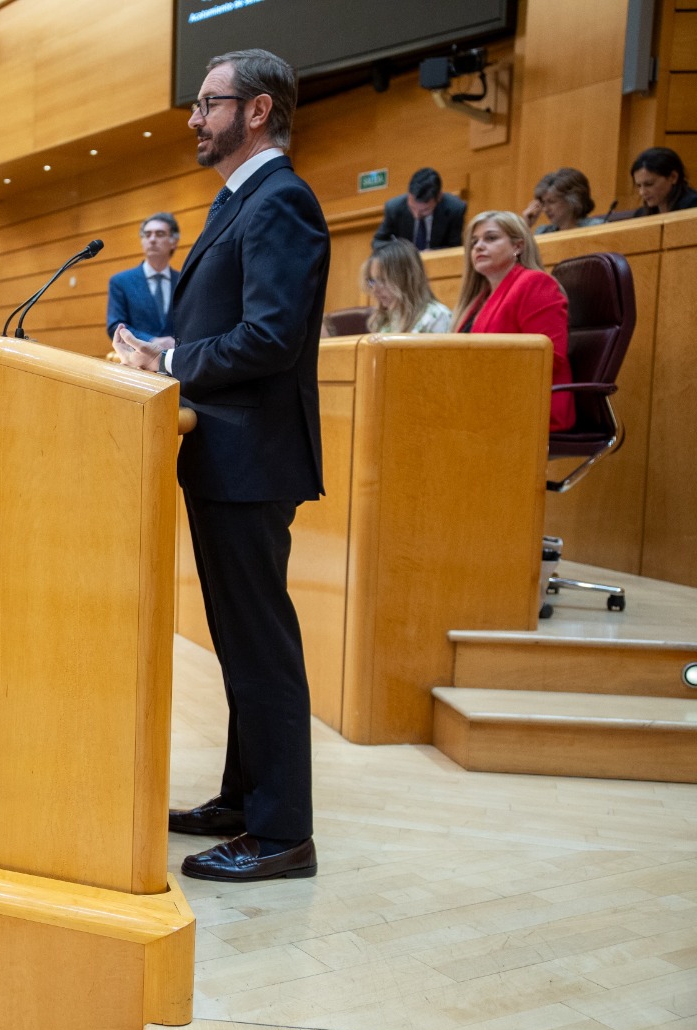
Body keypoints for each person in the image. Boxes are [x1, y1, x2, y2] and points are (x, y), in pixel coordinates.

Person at [113, 48, 326, 884]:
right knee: (242, 642)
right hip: (226, 452)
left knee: (260, 646)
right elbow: (233, 327)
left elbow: (270, 338)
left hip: (252, 456)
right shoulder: (243, 199)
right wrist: (166, 346)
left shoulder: (281, 200)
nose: (196, 118)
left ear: (258, 109)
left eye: (209, 102)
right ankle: (245, 800)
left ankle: (282, 835)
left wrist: (169, 363)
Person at [452, 210, 573, 432]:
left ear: (518, 246)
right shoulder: (478, 299)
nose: (478, 247)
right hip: (485, 405)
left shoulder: (535, 283)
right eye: (474, 242)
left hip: (527, 407)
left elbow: (547, 357)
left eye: (490, 238)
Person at [107, 212, 181, 342]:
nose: (152, 240)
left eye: (160, 234)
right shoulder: (120, 281)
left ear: (173, 242)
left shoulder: (184, 280)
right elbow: (115, 326)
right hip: (136, 354)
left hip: (177, 354)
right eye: (147, 235)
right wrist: (151, 341)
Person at [361, 239, 452, 334]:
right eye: (372, 281)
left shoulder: (437, 317)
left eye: (383, 280)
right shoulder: (383, 319)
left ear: (407, 278)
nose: (375, 290)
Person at [372, 167, 466, 250]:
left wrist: (434, 254)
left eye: (425, 210)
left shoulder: (455, 209)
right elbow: (378, 242)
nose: (416, 215)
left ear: (439, 198)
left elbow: (454, 248)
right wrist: (402, 252)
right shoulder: (394, 207)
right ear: (408, 194)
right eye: (412, 208)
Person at [523, 168, 602, 234]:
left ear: (573, 201)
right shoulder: (543, 232)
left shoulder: (598, 228)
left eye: (551, 202)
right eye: (543, 203)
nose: (546, 209)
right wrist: (526, 226)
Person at [629, 146, 697, 216]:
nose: (642, 192)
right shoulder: (641, 214)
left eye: (649, 184)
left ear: (673, 177)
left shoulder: (693, 207)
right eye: (639, 186)